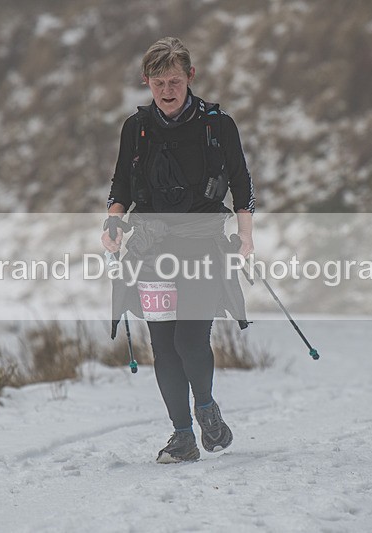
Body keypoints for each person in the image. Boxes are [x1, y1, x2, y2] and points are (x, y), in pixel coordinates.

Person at [101, 37, 256, 463]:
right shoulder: (136, 128)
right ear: (146, 81)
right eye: (157, 82)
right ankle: (182, 436)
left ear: (190, 77)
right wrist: (113, 220)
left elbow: (242, 183)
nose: (166, 90)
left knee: (190, 339)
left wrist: (245, 233)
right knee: (164, 345)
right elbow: (120, 183)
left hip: (203, 245)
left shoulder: (217, 126)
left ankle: (205, 408)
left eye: (173, 80)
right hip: (151, 250)